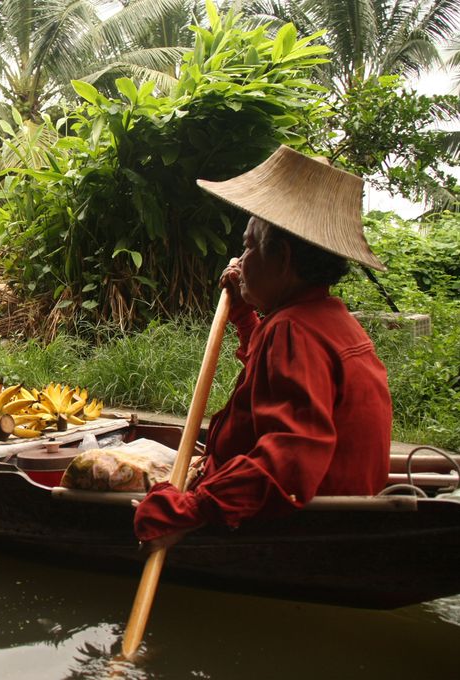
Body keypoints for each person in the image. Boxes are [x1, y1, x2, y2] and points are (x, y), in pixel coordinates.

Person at [133, 145, 393, 551]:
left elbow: (289, 458)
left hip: (305, 520)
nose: (240, 259)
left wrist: (191, 510)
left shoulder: (293, 329)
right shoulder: (327, 319)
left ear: (282, 258)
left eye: (250, 246)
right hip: (344, 504)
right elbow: (278, 383)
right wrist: (243, 317)